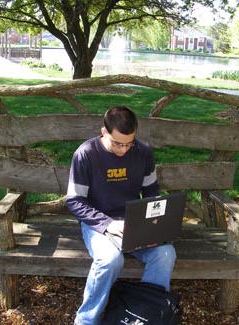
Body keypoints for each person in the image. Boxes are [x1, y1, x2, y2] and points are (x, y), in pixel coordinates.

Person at [66, 106, 177, 325]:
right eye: (118, 143)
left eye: (129, 143)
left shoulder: (143, 152)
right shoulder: (86, 154)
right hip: (98, 222)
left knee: (165, 254)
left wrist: (154, 224)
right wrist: (107, 224)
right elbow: (74, 201)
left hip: (134, 221)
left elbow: (151, 193)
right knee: (109, 260)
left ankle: (144, 314)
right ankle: (86, 320)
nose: (124, 149)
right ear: (103, 132)